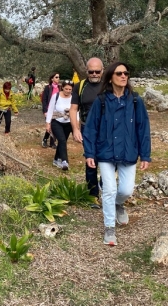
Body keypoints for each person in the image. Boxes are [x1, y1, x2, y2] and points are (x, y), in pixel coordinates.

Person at [83, 62, 151, 246]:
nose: (124, 76)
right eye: (119, 73)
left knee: (126, 190)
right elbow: (90, 129)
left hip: (128, 152)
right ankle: (109, 229)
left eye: (126, 73)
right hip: (105, 152)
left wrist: (145, 155)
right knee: (109, 190)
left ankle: (118, 204)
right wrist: (90, 153)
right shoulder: (102, 101)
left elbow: (143, 128)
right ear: (111, 77)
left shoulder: (135, 101)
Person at [70, 57, 105, 202]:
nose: (95, 74)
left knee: (109, 159)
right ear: (87, 71)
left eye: (97, 71)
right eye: (92, 71)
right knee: (91, 160)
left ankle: (104, 185)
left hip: (107, 129)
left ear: (102, 71)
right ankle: (93, 194)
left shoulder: (108, 85)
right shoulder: (80, 86)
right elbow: (73, 109)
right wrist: (75, 129)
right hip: (87, 128)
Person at [46, 79, 74, 170]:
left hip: (68, 122)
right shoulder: (56, 96)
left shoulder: (73, 97)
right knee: (61, 140)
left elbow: (76, 112)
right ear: (62, 88)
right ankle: (64, 161)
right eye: (66, 89)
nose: (68, 91)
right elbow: (50, 110)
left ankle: (56, 159)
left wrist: (76, 126)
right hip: (56, 121)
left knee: (63, 141)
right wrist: (48, 124)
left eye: (70, 89)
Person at [41, 73, 60, 149]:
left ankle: (52, 142)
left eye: (58, 77)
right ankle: (45, 139)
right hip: (49, 110)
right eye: (56, 77)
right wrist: (45, 111)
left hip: (57, 111)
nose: (58, 78)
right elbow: (44, 100)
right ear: (52, 79)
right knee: (50, 126)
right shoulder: (48, 88)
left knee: (54, 126)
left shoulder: (59, 88)